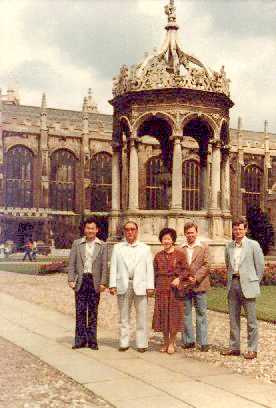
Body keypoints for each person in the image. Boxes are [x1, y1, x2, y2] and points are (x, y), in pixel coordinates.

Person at [221, 217, 264, 359]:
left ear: (245, 229)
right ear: (232, 230)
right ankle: (234, 347)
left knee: (251, 320)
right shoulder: (228, 246)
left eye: (240, 228)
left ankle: (252, 349)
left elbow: (260, 267)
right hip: (233, 284)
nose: (237, 231)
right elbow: (228, 265)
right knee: (233, 318)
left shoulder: (253, 245)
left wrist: (254, 282)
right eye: (235, 229)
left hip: (248, 285)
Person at [109, 221, 154, 352]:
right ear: (124, 231)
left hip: (140, 285)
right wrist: (112, 284)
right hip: (123, 284)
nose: (130, 232)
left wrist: (150, 286)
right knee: (124, 316)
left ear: (137, 231)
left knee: (142, 316)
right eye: (127, 229)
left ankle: (141, 343)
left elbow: (149, 269)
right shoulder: (117, 248)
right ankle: (124, 342)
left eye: (132, 229)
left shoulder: (145, 248)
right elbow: (113, 267)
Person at [68, 217, 108, 350]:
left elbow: (104, 266)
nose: (90, 230)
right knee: (80, 311)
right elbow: (72, 263)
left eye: (92, 228)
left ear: (97, 230)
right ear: (84, 229)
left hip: (94, 281)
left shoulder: (102, 245)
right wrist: (71, 279)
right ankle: (79, 340)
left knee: (92, 311)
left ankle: (92, 341)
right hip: (81, 280)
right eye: (87, 228)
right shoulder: (77, 244)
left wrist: (103, 283)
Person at [152, 228, 193, 354]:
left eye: (169, 239)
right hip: (161, 288)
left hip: (175, 289)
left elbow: (186, 270)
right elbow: (154, 272)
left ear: (173, 240)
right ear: (161, 240)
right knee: (163, 314)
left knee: (174, 315)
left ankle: (172, 342)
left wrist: (179, 278)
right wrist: (153, 287)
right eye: (164, 239)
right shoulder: (158, 256)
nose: (166, 241)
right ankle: (165, 341)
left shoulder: (180, 254)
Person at [181, 222, 210, 352]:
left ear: (196, 233)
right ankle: (188, 340)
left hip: (200, 284)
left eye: (192, 232)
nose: (190, 235)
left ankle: (203, 342)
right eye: (188, 232)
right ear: (185, 234)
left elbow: (207, 265)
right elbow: (178, 267)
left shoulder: (203, 247)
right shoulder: (180, 248)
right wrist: (186, 277)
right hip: (185, 285)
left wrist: (196, 278)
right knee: (186, 313)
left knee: (201, 313)